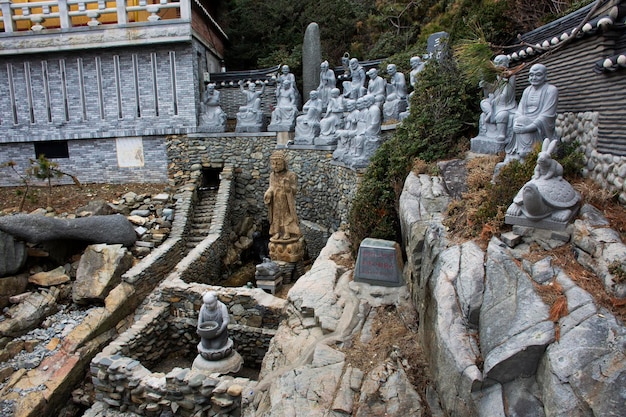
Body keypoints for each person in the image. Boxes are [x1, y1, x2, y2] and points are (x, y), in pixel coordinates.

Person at [505, 64, 558, 161]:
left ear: (545, 76)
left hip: (539, 127)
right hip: (523, 123)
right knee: (517, 119)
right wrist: (517, 123)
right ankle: (521, 152)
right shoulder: (527, 90)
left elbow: (547, 115)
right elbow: (519, 111)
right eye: (531, 75)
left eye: (538, 75)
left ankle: (528, 154)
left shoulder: (551, 90)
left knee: (523, 121)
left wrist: (528, 128)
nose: (534, 78)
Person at [264, 151, 301, 241]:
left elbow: (294, 190)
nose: (275, 166)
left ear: (284, 164)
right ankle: (276, 232)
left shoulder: (291, 175)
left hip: (286, 201)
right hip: (276, 201)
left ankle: (287, 232)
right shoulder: (272, 175)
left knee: (286, 216)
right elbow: (271, 187)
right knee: (276, 217)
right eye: (273, 164)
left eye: (278, 164)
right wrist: (268, 193)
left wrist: (288, 188)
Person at [478, 55, 516, 141]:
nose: (497, 66)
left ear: (505, 64)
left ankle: (501, 134)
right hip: (495, 102)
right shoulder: (498, 77)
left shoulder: (511, 77)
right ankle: (490, 113)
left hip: (505, 104)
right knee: (484, 102)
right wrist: (486, 86)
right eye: (496, 63)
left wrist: (494, 101)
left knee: (502, 114)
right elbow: (493, 92)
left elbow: (507, 95)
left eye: (499, 63)